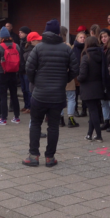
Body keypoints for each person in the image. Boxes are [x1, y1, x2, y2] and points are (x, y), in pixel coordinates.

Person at [24, 19, 79, 167]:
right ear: (58, 33)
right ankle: (50, 158)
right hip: (57, 95)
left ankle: (33, 156)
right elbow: (75, 69)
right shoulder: (66, 49)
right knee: (53, 127)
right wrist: (64, 81)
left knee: (35, 124)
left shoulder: (38, 48)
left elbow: (29, 68)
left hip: (39, 94)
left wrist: (35, 81)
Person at [0, 27, 24, 125]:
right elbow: (21, 59)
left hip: (3, 73)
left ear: (1, 37)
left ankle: (3, 118)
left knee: (3, 96)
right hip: (14, 73)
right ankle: (16, 117)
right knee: (14, 95)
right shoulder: (16, 46)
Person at [79, 36, 105, 142]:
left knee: (93, 111)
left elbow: (83, 75)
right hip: (98, 86)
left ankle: (98, 135)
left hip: (88, 87)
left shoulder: (86, 57)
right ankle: (89, 134)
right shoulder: (101, 55)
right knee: (94, 110)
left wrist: (79, 77)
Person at [61, 26, 78, 128]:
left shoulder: (52, 47)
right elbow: (73, 63)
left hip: (57, 77)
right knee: (71, 97)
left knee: (59, 98)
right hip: (67, 75)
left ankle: (60, 119)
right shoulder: (68, 47)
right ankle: (70, 119)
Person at [72, 31, 87, 118]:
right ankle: (75, 109)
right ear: (77, 39)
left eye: (84, 37)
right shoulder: (74, 48)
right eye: (81, 37)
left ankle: (84, 110)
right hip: (76, 74)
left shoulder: (87, 48)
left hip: (84, 73)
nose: (82, 39)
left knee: (84, 93)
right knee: (75, 93)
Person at [18, 26, 31, 112]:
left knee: (28, 89)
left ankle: (30, 106)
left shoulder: (27, 43)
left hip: (26, 69)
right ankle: (26, 105)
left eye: (21, 32)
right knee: (23, 89)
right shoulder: (21, 42)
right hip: (21, 69)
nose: (19, 34)